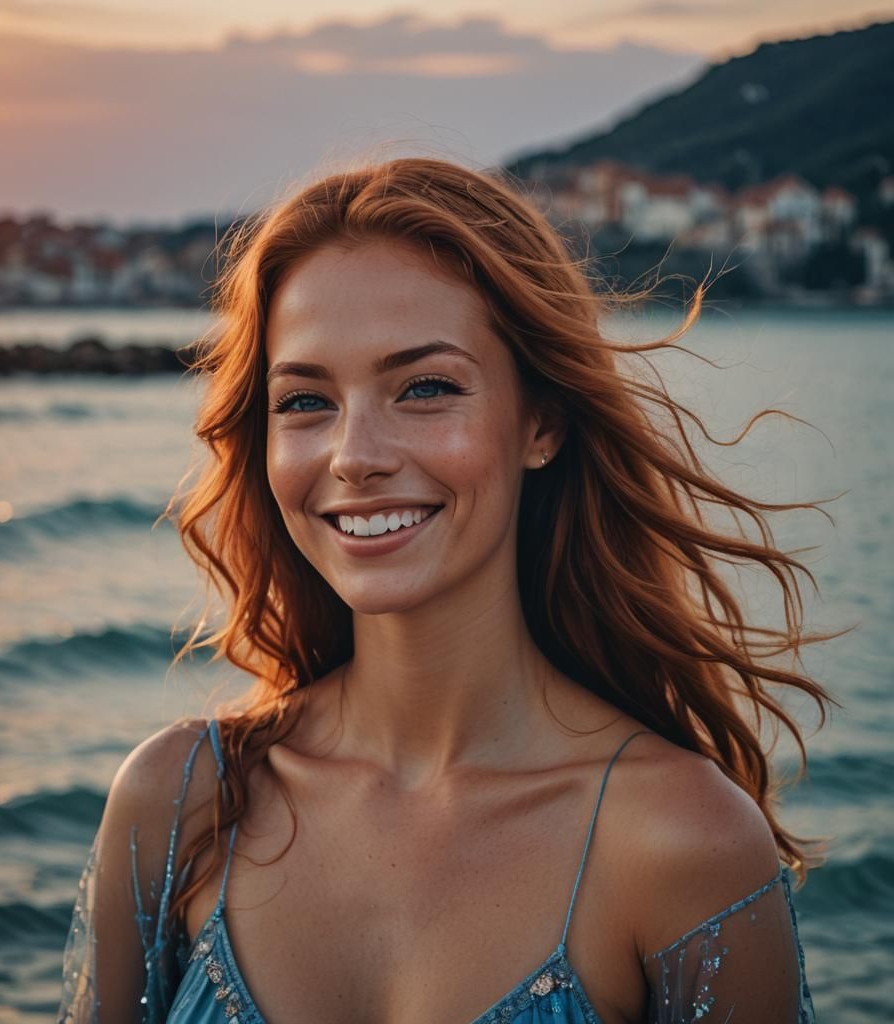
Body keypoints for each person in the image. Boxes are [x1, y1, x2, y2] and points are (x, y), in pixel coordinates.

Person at [58, 156, 839, 1023]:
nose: (355, 456)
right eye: (306, 401)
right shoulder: (180, 805)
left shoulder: (683, 845)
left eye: (425, 388)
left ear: (540, 422)